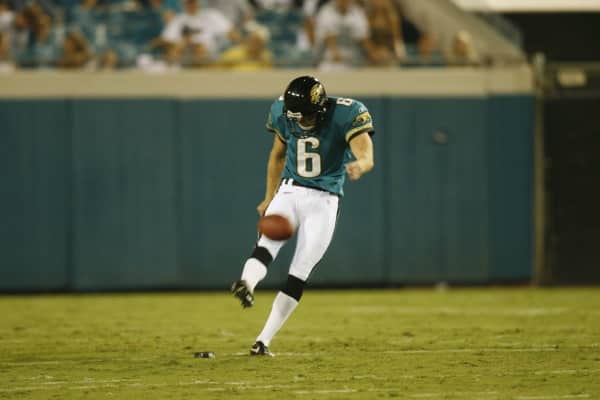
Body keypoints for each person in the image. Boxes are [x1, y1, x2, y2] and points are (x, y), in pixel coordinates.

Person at [231, 75, 375, 356]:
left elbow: (365, 152)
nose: (301, 122)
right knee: (269, 247)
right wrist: (269, 196)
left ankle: (262, 339)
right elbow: (277, 155)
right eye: (296, 117)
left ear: (321, 108)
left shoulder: (347, 113)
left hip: (322, 199)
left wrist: (362, 164)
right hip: (291, 191)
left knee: (297, 270)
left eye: (306, 116)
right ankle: (247, 286)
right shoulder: (282, 110)